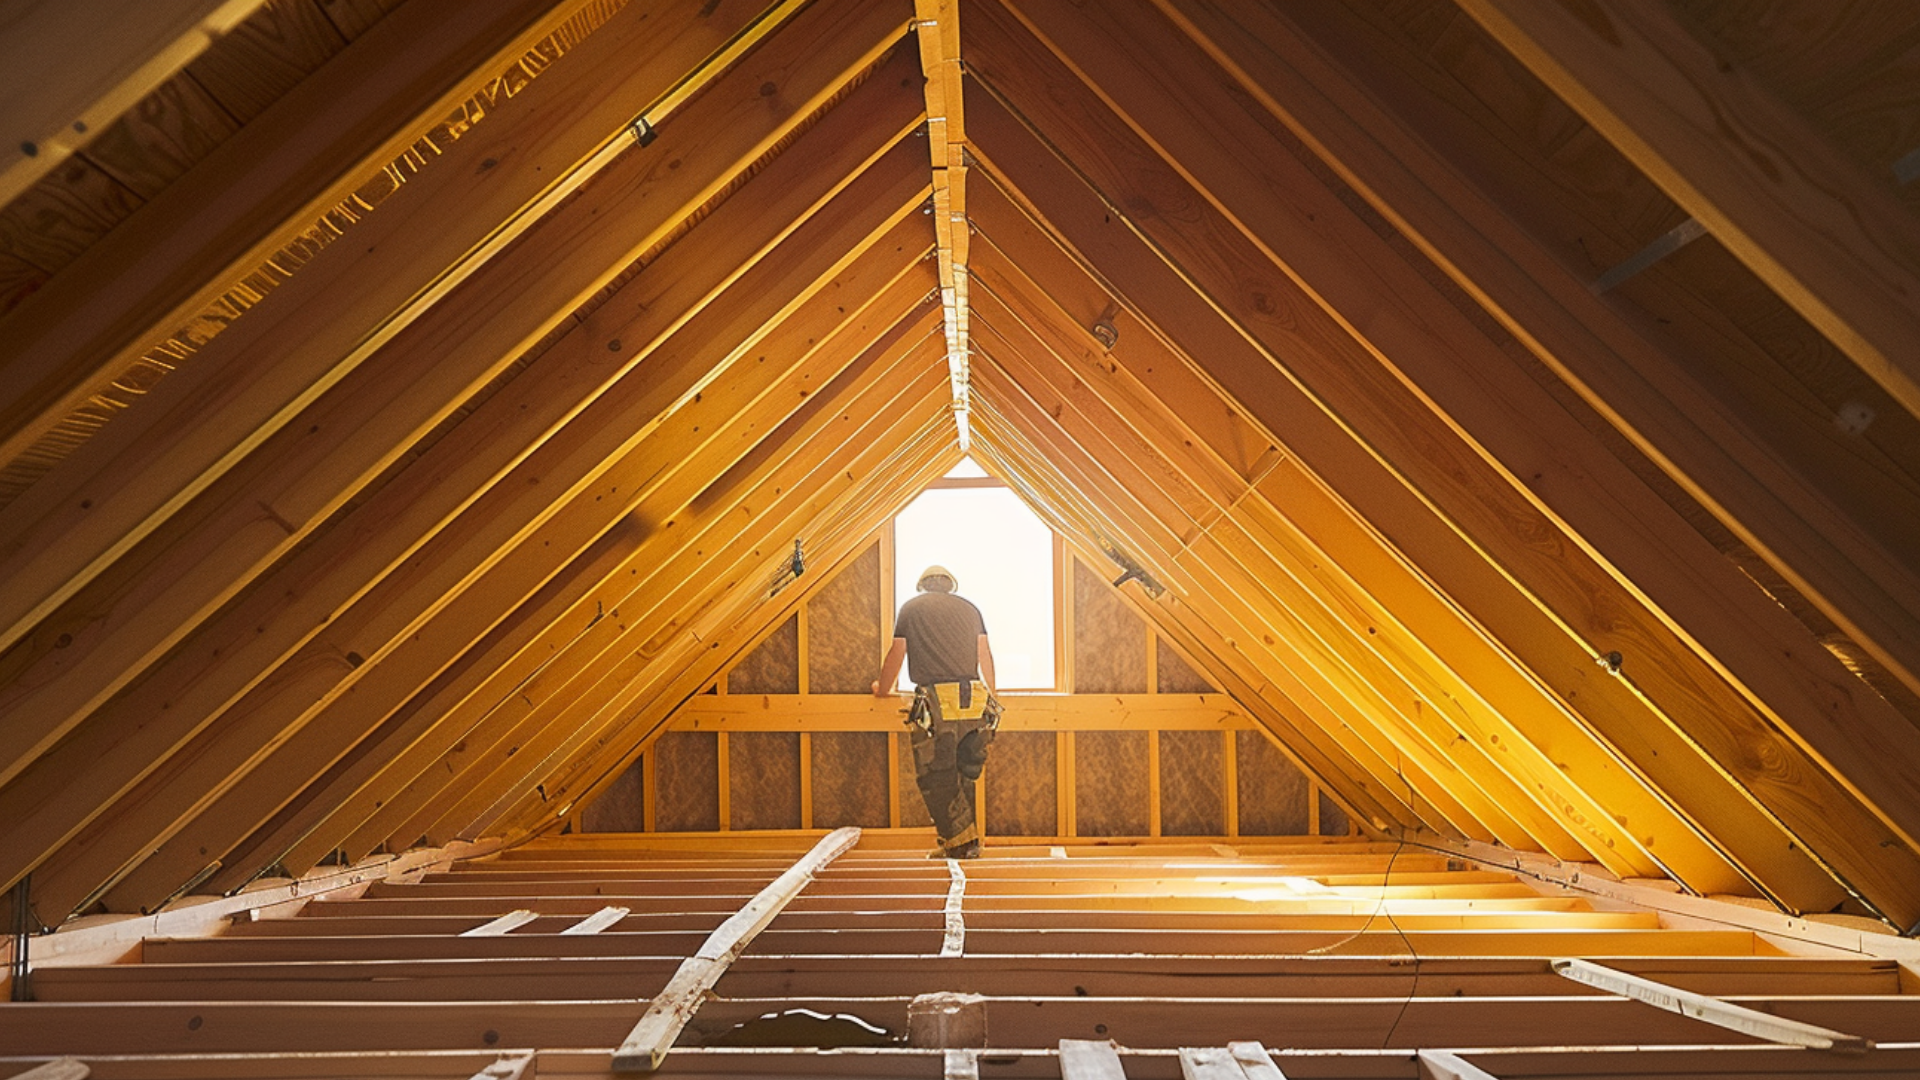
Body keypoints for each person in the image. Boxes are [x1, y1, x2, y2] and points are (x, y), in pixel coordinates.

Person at [872, 565, 1000, 858]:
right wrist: (994, 694)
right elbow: (984, 654)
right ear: (949, 586)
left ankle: (960, 846)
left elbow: (897, 652)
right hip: (974, 700)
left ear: (923, 586)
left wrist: (882, 689)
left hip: (937, 701)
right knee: (963, 773)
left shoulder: (911, 608)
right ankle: (965, 845)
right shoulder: (970, 609)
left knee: (937, 775)